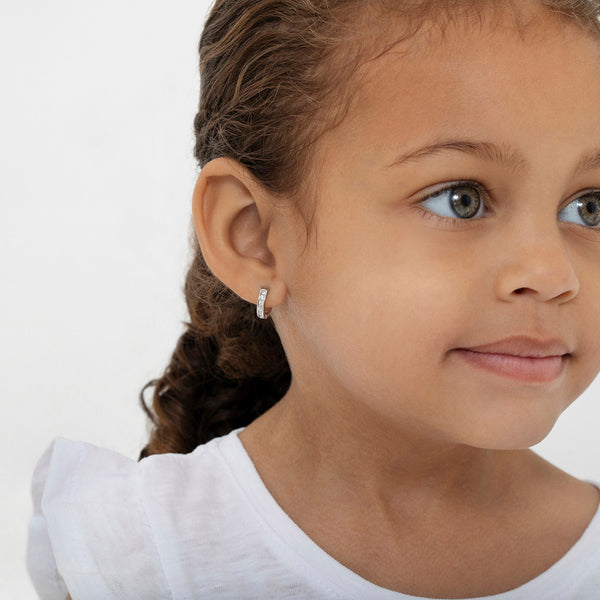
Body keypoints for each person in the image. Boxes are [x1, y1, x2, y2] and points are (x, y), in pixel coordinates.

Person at [26, 0, 600, 598]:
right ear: (254, 237)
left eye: (589, 207)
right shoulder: (131, 555)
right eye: (461, 199)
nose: (553, 274)